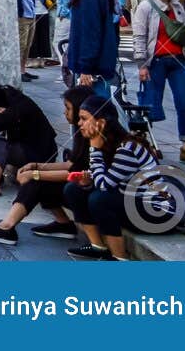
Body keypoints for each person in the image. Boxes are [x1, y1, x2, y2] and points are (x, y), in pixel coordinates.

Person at [0, 86, 90, 247]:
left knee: (36, 181)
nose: (64, 113)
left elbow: (76, 171)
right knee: (36, 177)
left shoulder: (93, 134)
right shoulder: (82, 130)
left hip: (87, 190)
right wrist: (37, 167)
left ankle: (6, 227)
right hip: (68, 177)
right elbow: (71, 164)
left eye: (68, 108)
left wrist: (36, 174)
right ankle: (64, 224)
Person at [64, 96, 163, 260]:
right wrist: (88, 181)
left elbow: (104, 186)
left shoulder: (127, 148)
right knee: (74, 189)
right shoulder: (107, 143)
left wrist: (94, 149)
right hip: (131, 201)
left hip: (152, 212)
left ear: (101, 123)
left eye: (84, 119)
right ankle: (98, 246)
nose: (79, 123)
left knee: (99, 199)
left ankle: (119, 258)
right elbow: (105, 181)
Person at [132, 0, 185, 165]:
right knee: (150, 105)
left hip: (178, 62)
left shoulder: (178, 7)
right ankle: (144, 144)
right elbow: (139, 37)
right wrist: (142, 65)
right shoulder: (145, 8)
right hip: (155, 62)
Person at [0, 83, 60, 197]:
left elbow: (1, 121)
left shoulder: (19, 107)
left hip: (40, 154)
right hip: (29, 148)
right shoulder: (10, 98)